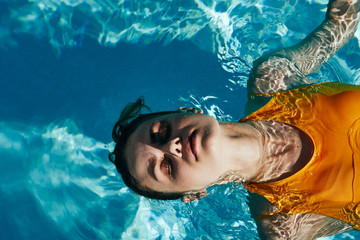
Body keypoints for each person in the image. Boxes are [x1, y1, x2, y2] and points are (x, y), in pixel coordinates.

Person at [109, 0, 360, 239]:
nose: (171, 146)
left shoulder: (274, 78)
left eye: (162, 133)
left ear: (188, 111)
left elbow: (341, 26)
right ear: (194, 193)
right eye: (166, 167)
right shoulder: (284, 223)